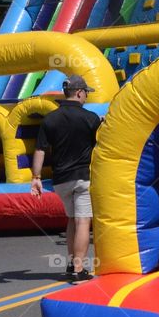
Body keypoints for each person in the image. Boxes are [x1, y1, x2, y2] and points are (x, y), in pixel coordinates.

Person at [30, 75, 101, 283]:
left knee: (72, 219)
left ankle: (71, 263)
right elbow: (101, 147)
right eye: (86, 92)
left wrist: (36, 177)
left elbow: (40, 150)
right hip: (83, 178)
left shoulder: (50, 119)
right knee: (82, 221)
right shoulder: (91, 118)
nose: (86, 96)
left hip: (60, 180)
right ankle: (79, 269)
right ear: (79, 92)